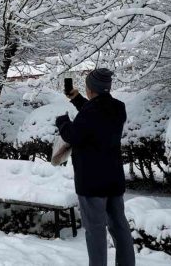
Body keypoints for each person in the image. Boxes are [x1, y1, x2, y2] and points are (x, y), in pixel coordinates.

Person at [55, 68, 135, 266]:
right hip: (113, 179)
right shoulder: (118, 107)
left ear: (91, 89)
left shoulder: (90, 112)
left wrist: (63, 122)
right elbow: (97, 117)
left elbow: (73, 135)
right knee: (119, 226)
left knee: (95, 230)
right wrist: (77, 99)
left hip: (91, 182)